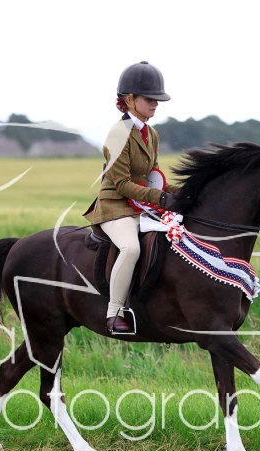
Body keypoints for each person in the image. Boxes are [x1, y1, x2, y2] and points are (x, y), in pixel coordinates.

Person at [83, 61, 182, 334]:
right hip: (115, 206)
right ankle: (114, 313)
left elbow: (153, 176)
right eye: (149, 99)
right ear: (129, 100)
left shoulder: (152, 134)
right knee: (131, 248)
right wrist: (160, 198)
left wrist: (183, 192)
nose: (155, 104)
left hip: (140, 206)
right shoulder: (118, 134)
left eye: (157, 99)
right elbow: (123, 184)